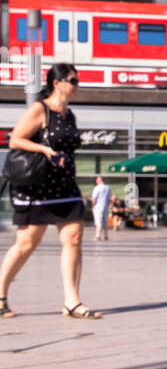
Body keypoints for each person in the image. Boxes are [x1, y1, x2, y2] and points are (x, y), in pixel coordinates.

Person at [0, 63, 102, 319]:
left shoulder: (69, 114)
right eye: (73, 80)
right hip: (38, 187)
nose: (77, 85)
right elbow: (15, 140)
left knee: (74, 237)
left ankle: (72, 301)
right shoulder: (40, 109)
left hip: (65, 185)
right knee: (25, 245)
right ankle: (0, 295)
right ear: (57, 83)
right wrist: (44, 149)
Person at [91, 174, 111, 241]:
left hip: (98, 207)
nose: (96, 180)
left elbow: (94, 199)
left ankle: (98, 236)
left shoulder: (97, 188)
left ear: (100, 180)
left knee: (98, 222)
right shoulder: (107, 188)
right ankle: (106, 236)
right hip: (105, 206)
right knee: (105, 221)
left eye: (97, 179)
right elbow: (108, 199)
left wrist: (93, 206)